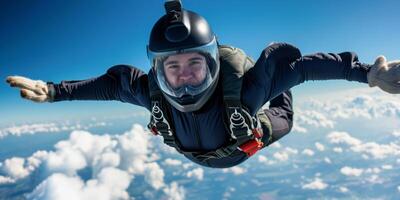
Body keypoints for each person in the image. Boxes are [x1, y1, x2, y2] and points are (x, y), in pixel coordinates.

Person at [5, 0, 400, 168]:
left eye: (196, 62)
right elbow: (109, 86)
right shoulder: (151, 93)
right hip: (201, 151)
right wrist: (56, 91)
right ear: (158, 69)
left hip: (247, 141)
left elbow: (301, 67)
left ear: (212, 61)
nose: (184, 76)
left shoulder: (243, 89)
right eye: (172, 66)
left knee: (279, 97)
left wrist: (367, 73)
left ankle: (268, 109)